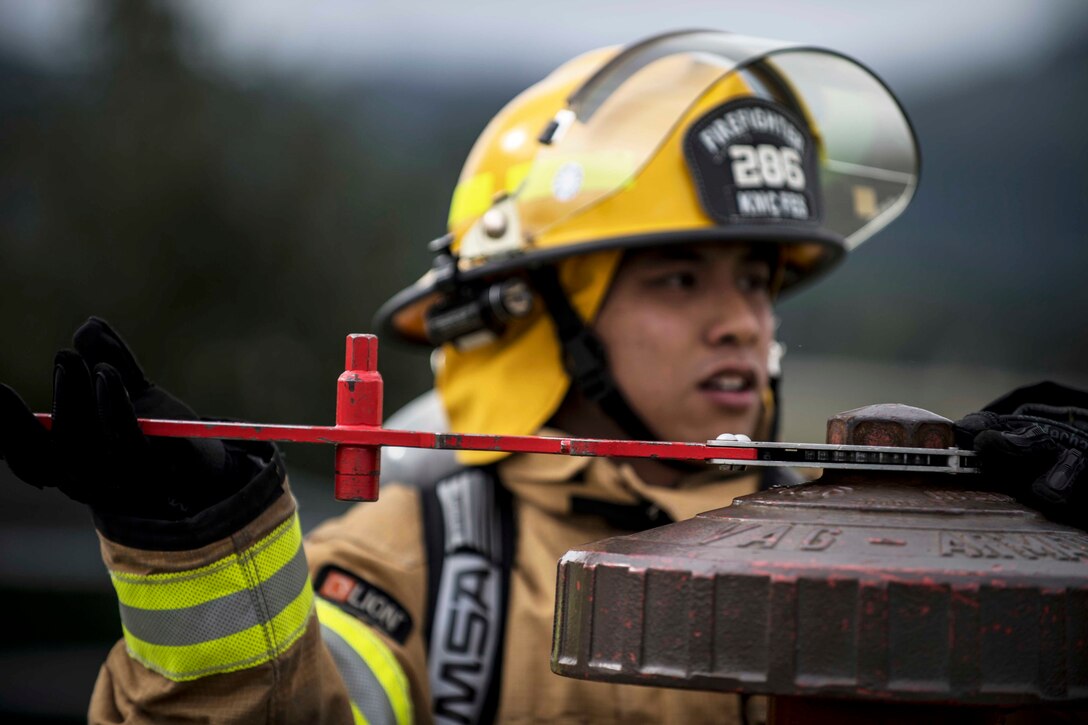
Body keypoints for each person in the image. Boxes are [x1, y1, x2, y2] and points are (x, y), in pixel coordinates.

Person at [0, 29, 1084, 725]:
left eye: (756, 278)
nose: (740, 322)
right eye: (676, 277)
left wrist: (1040, 556)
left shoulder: (858, 545)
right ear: (529, 311)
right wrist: (207, 566)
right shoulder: (414, 558)